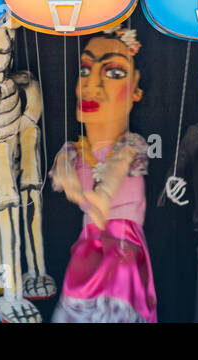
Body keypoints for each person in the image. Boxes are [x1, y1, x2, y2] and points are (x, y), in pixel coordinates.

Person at [50, 29, 157, 322]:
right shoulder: (73, 151)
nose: (90, 84)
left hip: (123, 247)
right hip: (90, 249)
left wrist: (103, 194)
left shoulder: (131, 145)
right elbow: (60, 171)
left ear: (136, 91)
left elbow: (119, 164)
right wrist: (67, 180)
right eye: (84, 69)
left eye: (113, 72)